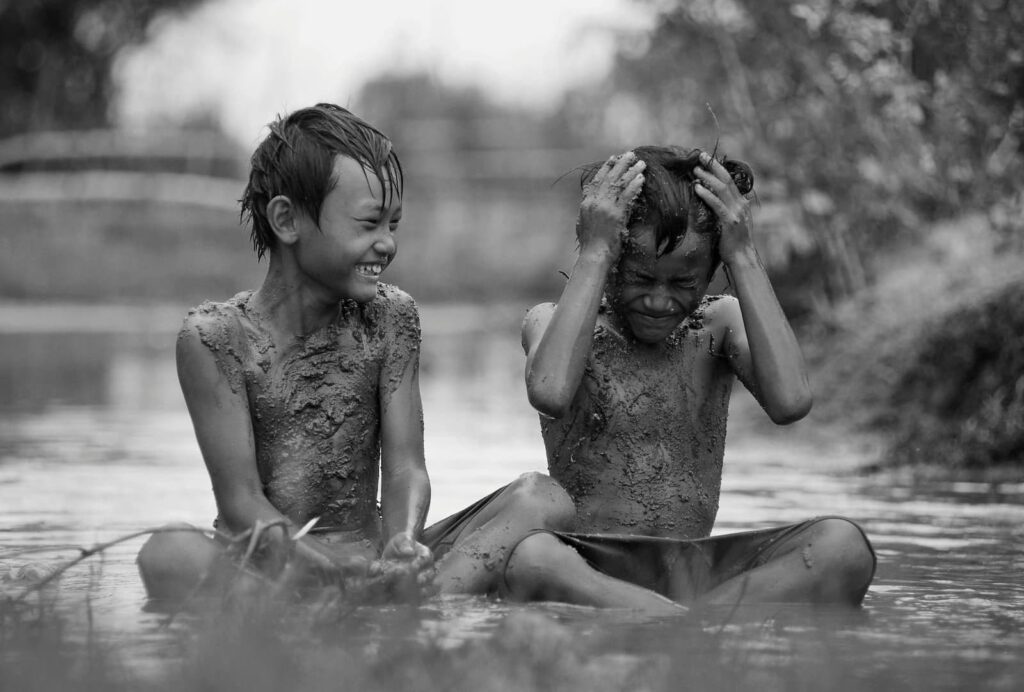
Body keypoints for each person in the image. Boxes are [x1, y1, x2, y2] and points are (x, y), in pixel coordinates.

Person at [491, 147, 877, 613]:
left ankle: (678, 622)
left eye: (682, 284)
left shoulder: (719, 324)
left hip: (695, 570)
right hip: (589, 564)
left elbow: (791, 401)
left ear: (712, 271)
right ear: (610, 260)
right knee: (531, 558)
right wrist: (594, 248)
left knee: (843, 546)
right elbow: (550, 391)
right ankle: (697, 625)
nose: (659, 301)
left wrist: (744, 253)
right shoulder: (553, 323)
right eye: (640, 278)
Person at [137, 103, 436, 603]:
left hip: (373, 555)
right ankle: (327, 601)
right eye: (368, 224)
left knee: (535, 501)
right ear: (286, 219)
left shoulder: (392, 317)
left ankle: (365, 596)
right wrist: (328, 573)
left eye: (394, 225)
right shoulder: (215, 338)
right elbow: (240, 503)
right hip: (274, 567)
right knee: (167, 551)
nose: (387, 244)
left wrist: (403, 543)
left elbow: (407, 467)